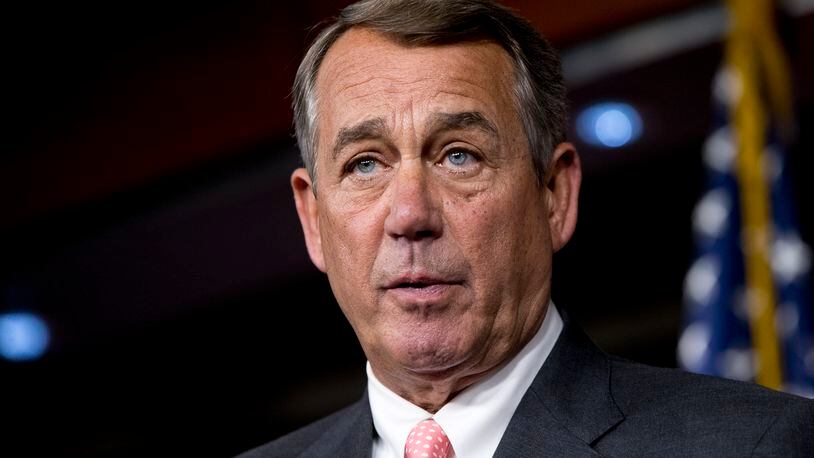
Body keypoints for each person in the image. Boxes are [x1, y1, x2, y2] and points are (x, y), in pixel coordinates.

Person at [240, 0, 814, 456]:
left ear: (555, 196)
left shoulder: (757, 445)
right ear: (313, 220)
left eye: (459, 156)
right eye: (365, 163)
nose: (411, 215)